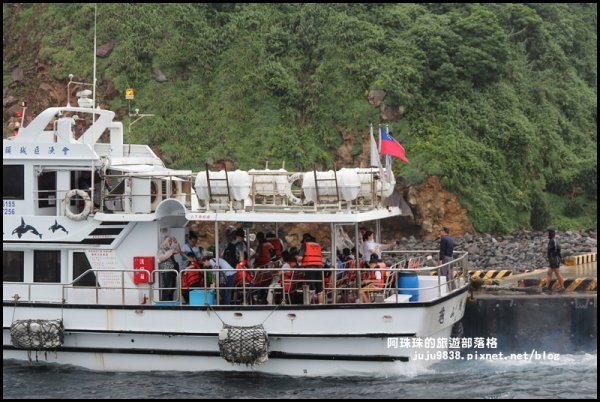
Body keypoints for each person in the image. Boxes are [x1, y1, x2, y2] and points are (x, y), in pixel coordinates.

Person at [297, 233, 324, 304]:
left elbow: (300, 258)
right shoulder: (318, 245)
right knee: (320, 288)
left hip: (309, 268)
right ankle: (321, 304)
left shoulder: (305, 245)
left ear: (305, 240)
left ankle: (308, 305)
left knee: (310, 287)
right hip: (319, 268)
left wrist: (299, 261)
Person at [157, 236, 185, 301]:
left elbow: (178, 250)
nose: (170, 242)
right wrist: (171, 251)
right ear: (164, 241)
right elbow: (161, 258)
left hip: (173, 271)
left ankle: (170, 301)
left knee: (172, 288)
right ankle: (164, 302)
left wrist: (176, 242)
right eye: (168, 241)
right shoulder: (161, 249)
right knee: (167, 288)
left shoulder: (170, 249)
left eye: (170, 241)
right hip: (166, 271)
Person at [544, 226, 565, 292]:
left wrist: (556, 257)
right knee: (549, 272)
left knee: (557, 273)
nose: (546, 233)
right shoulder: (551, 239)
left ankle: (562, 287)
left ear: (550, 232)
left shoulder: (554, 240)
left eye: (547, 232)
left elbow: (557, 249)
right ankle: (546, 287)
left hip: (555, 260)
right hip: (552, 260)